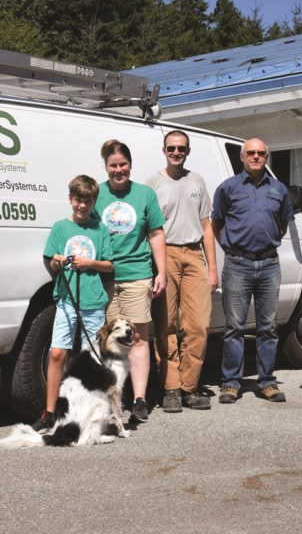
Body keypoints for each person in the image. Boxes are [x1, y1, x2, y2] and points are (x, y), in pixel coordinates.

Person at [211, 137, 294, 405]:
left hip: (269, 264)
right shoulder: (228, 188)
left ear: (266, 157)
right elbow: (216, 222)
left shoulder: (279, 189)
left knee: (267, 327)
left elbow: (282, 225)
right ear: (242, 157)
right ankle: (231, 383)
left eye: (260, 153)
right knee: (234, 327)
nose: (256, 157)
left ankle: (267, 382)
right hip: (237, 264)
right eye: (251, 153)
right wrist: (232, 248)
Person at [32, 175, 115, 432]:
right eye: (78, 200)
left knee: (92, 357)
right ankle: (49, 411)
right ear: (71, 199)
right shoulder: (60, 228)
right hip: (67, 299)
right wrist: (57, 261)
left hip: (92, 301)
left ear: (93, 202)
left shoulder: (99, 229)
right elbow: (51, 262)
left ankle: (90, 411)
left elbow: (109, 264)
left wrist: (89, 263)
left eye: (87, 200)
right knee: (57, 353)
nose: (82, 205)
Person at [146, 130, 218, 412]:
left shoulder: (196, 180)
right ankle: (171, 388)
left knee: (199, 325)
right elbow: (149, 227)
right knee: (166, 325)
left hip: (194, 254)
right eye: (172, 148)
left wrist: (212, 267)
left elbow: (207, 226)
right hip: (166, 254)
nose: (177, 152)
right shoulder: (152, 183)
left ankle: (190, 387)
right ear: (164, 150)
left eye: (182, 148)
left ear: (188, 151)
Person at [95, 139, 167, 422]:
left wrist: (161, 272)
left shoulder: (144, 194)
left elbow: (156, 234)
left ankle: (139, 399)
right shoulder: (97, 194)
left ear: (130, 165)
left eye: (123, 164)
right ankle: (115, 395)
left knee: (137, 338)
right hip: (106, 278)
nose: (118, 170)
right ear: (106, 167)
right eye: (113, 166)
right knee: (110, 341)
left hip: (138, 275)